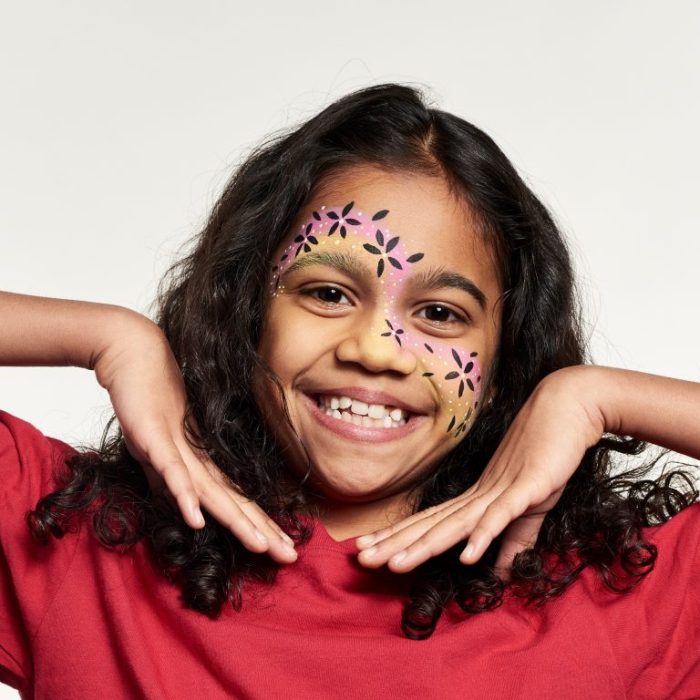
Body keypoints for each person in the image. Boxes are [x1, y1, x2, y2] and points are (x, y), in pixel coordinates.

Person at [1, 82, 699, 699]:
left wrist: (593, 397)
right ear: (249, 315)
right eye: (328, 293)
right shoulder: (72, 540)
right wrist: (110, 338)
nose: (374, 349)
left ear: (501, 366)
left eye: (440, 315)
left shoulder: (612, 598)